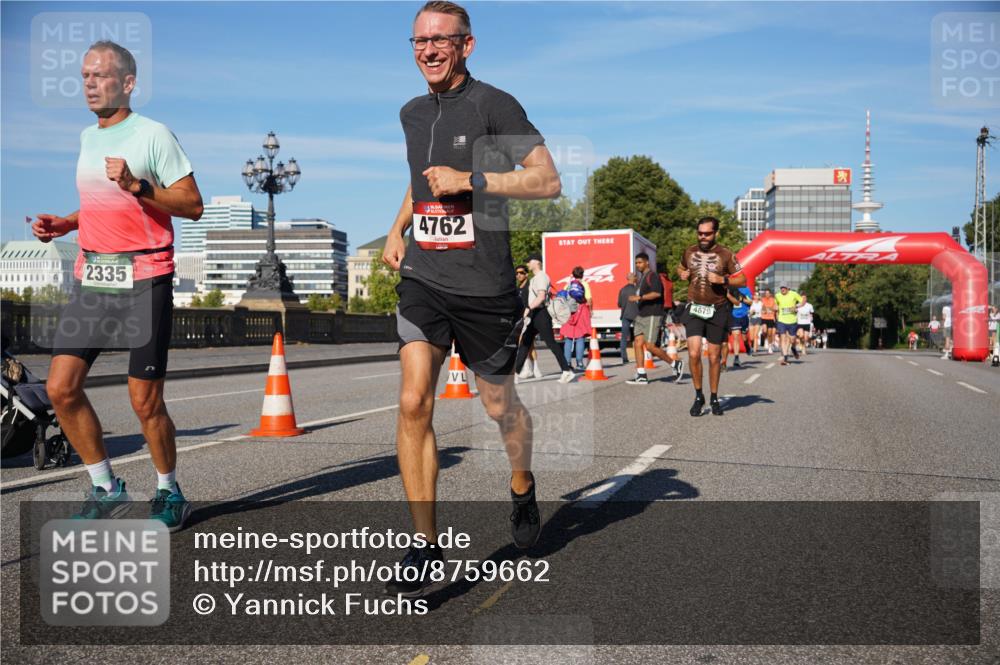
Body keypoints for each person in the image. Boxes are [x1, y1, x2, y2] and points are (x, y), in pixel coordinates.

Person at [381, 1, 562, 596]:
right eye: (418, 42)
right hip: (426, 280)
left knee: (498, 407)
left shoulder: (494, 105)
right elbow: (418, 183)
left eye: (440, 40)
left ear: (467, 45)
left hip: (485, 286)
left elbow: (547, 179)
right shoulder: (411, 113)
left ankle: (521, 482)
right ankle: (426, 545)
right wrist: (396, 228)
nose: (428, 51)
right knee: (413, 403)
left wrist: (473, 179)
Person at [29, 41, 203, 530]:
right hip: (94, 275)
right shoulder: (88, 137)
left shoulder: (154, 136)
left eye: (100, 75)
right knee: (61, 389)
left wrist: (138, 186)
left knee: (144, 400)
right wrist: (65, 224)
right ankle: (106, 488)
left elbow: (192, 204)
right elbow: (103, 206)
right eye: (84, 75)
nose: (89, 83)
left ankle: (170, 491)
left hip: (145, 277)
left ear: (128, 83)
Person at [676, 217, 746, 415]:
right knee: (694, 353)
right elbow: (680, 267)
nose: (703, 237)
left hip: (718, 309)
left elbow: (742, 279)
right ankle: (699, 396)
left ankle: (714, 397)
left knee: (714, 357)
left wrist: (723, 279)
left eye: (707, 233)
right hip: (695, 307)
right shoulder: (689, 251)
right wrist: (682, 273)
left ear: (715, 233)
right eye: (700, 233)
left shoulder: (726, 254)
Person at [516, 256, 574, 383]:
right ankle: (514, 373)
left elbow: (541, 297)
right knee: (525, 343)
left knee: (551, 343)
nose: (527, 264)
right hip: (534, 314)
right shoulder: (535, 278)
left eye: (529, 261)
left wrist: (528, 308)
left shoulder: (542, 277)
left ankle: (567, 371)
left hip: (541, 314)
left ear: (537, 263)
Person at [626, 253, 682, 385]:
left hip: (652, 314)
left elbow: (657, 293)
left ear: (647, 262)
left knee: (650, 346)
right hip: (641, 314)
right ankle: (641, 375)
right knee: (637, 343)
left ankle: (675, 363)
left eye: (640, 262)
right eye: (636, 263)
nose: (637, 265)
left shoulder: (653, 276)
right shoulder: (641, 278)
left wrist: (639, 298)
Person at [560, 266, 592, 371]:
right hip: (581, 311)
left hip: (568, 313)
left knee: (568, 338)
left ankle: (567, 363)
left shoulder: (568, 285)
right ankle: (579, 363)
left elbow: (563, 298)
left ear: (573, 274)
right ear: (582, 274)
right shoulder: (584, 284)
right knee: (580, 338)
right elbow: (589, 299)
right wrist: (591, 311)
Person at [514, 265, 542, 380]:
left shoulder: (530, 286)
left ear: (526, 274)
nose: (518, 275)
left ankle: (532, 368)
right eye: (517, 273)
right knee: (527, 345)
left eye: (521, 272)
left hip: (530, 318)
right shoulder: (518, 288)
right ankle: (532, 369)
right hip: (521, 319)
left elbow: (536, 300)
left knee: (525, 343)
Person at [723, 285, 752, 368]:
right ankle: (736, 358)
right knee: (736, 336)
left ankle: (747, 345)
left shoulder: (745, 289)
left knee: (744, 338)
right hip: (734, 316)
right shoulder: (729, 289)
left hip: (743, 316)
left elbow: (750, 302)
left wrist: (741, 299)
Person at [774, 284, 802, 365]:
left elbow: (802, 301)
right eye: (781, 288)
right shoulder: (777, 296)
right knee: (783, 338)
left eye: (784, 287)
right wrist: (775, 308)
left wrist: (796, 306)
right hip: (781, 320)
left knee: (792, 339)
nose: (782, 289)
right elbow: (775, 305)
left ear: (788, 288)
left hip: (792, 321)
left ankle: (793, 348)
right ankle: (785, 357)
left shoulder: (794, 294)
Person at [617, 272, 639, 364]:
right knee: (639, 336)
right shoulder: (637, 289)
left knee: (624, 337)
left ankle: (624, 358)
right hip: (637, 315)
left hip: (625, 315)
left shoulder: (622, 290)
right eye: (636, 277)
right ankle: (642, 356)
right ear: (633, 279)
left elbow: (619, 304)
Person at [760, 288, 777, 353]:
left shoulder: (773, 300)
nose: (767, 294)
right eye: (766, 293)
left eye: (768, 293)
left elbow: (775, 308)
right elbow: (762, 308)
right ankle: (765, 339)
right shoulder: (762, 300)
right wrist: (766, 309)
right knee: (764, 331)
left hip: (771, 318)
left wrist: (770, 309)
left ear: (770, 294)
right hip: (764, 317)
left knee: (770, 333)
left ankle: (770, 346)